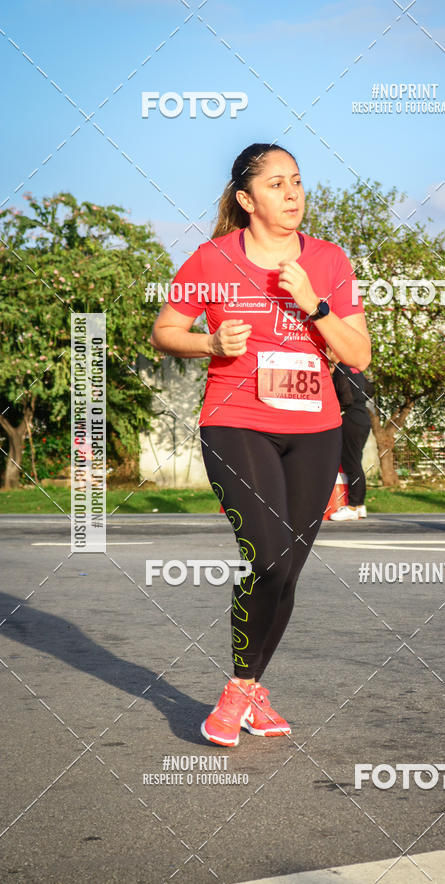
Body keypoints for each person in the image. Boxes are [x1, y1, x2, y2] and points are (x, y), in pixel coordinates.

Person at [150, 143, 370, 747]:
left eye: (297, 181)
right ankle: (241, 691)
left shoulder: (328, 260)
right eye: (276, 184)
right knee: (268, 558)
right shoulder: (212, 259)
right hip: (235, 421)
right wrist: (210, 345)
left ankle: (247, 688)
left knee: (288, 573)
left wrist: (314, 305)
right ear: (247, 200)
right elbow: (165, 331)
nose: (293, 193)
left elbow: (357, 355)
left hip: (316, 430)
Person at [329, 355, 373, 520]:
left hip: (350, 420)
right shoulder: (356, 369)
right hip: (363, 418)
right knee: (356, 461)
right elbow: (370, 390)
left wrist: (334, 410)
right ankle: (360, 506)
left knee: (351, 463)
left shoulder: (341, 370)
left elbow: (346, 398)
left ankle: (353, 506)